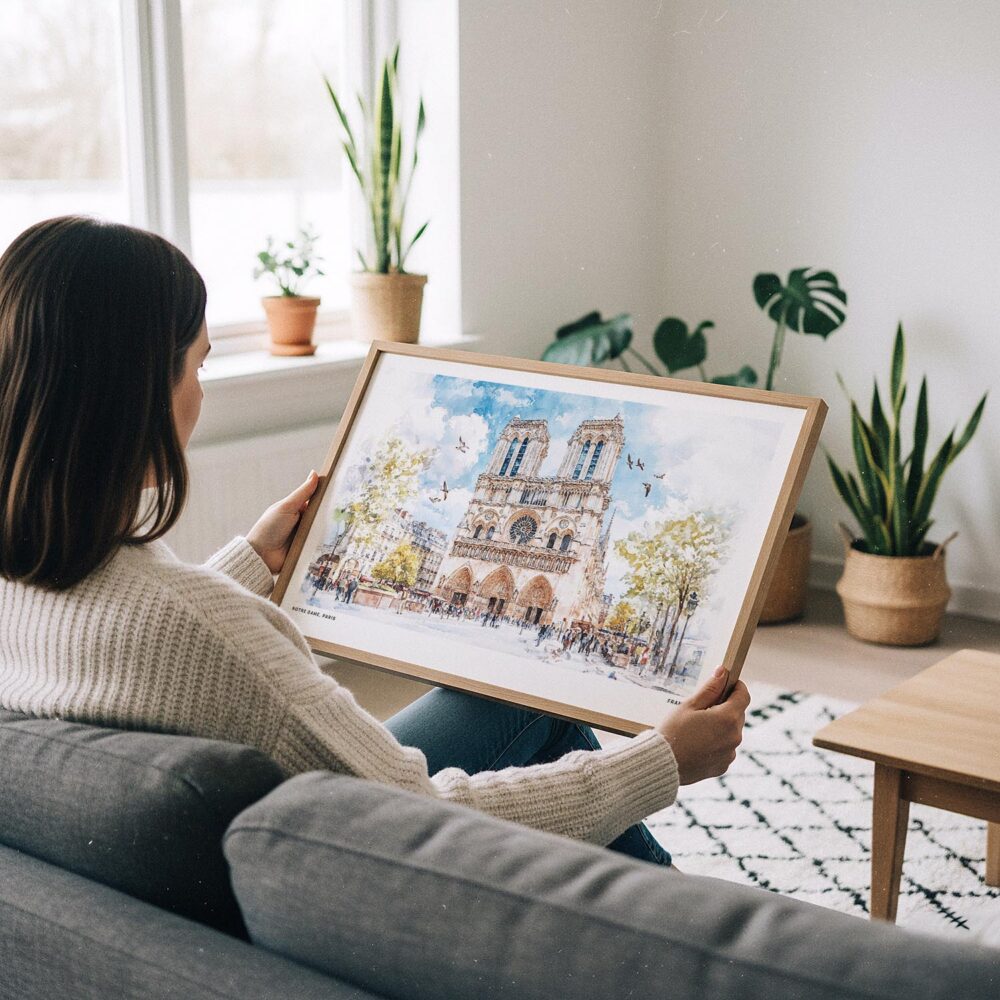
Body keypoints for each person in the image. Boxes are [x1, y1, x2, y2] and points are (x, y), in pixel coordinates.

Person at [0, 217, 749, 867]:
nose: (203, 391)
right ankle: (692, 932)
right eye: (198, 365)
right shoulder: (206, 631)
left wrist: (250, 564)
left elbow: (134, 635)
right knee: (548, 722)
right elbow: (419, 816)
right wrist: (660, 761)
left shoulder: (29, 578)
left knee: (504, 702)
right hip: (359, 854)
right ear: (135, 394)